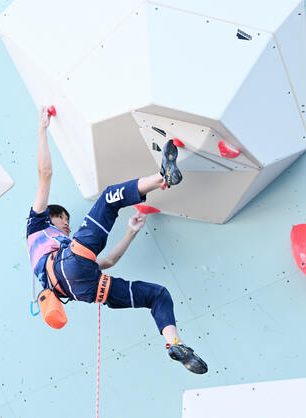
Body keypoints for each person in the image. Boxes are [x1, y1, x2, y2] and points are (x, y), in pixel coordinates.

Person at [26, 107, 207, 374]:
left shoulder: (47, 260)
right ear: (50, 217)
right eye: (63, 219)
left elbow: (107, 262)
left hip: (86, 291)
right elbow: (45, 173)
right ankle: (162, 176)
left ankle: (174, 343)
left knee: (157, 295)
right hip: (72, 265)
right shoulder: (36, 224)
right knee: (110, 198)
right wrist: (42, 129)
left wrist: (130, 232)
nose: (67, 225)